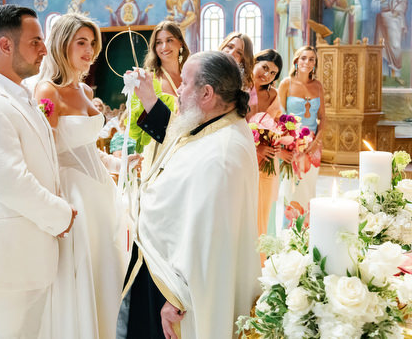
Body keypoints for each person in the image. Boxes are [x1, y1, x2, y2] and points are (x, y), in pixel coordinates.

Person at [0, 5, 76, 339]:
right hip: (4, 261)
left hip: (25, 254)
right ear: (6, 45)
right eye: (35, 41)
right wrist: (62, 215)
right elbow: (12, 183)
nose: (44, 50)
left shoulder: (17, 94)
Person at [121, 51, 260, 338]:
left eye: (184, 83)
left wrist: (178, 296)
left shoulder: (222, 157)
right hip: (161, 267)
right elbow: (177, 137)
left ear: (207, 93)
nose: (178, 91)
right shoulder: (216, 123)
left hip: (176, 294)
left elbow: (209, 243)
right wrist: (148, 97)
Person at [35, 12, 128, 339]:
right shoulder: (49, 91)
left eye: (92, 43)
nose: (90, 50)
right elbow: (44, 155)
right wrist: (54, 205)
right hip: (73, 196)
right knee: (80, 275)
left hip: (100, 193)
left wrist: (122, 165)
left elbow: (88, 150)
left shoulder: (86, 92)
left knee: (106, 270)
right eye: (81, 42)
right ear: (62, 44)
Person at [129, 21, 190, 172]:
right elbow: (137, 118)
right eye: (159, 42)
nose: (164, 47)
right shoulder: (150, 79)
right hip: (161, 148)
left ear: (180, 43)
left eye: (169, 40)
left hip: (188, 144)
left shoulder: (190, 74)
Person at [277, 46, 325, 230]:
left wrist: (316, 143)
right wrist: (289, 143)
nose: (307, 62)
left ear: (315, 64)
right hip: (291, 144)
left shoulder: (318, 86)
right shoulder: (286, 84)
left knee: (309, 188)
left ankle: (307, 230)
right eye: (304, 58)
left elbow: (324, 118)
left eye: (312, 59)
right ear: (296, 61)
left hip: (313, 147)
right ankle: (289, 230)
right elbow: (280, 118)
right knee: (291, 188)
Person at [248, 49, 283, 238]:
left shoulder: (274, 95)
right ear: (255, 61)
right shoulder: (241, 89)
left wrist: (277, 142)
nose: (267, 75)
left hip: (268, 161)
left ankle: (262, 260)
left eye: (273, 73)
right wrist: (256, 147)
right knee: (247, 210)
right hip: (246, 156)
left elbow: (277, 125)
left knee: (264, 211)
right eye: (265, 67)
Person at [371, 0, 408, 84]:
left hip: (394, 18)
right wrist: (380, 4)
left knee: (395, 45)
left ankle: (397, 73)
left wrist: (398, 10)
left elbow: (403, 0)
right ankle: (384, 73)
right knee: (382, 46)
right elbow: (373, 4)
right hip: (382, 18)